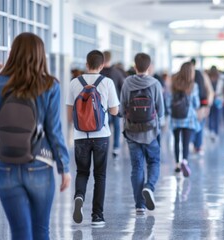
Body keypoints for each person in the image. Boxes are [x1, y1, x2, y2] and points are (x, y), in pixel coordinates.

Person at [0, 32, 70, 240]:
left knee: (19, 233)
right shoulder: (50, 85)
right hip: (39, 163)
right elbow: (54, 131)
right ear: (41, 55)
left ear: (13, 54)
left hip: (5, 165)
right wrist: (64, 167)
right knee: (41, 230)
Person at [67, 50, 120, 226]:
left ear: (86, 63)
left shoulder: (74, 83)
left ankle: (79, 196)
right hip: (101, 136)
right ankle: (97, 216)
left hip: (80, 136)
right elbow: (114, 111)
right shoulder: (107, 82)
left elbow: (69, 116)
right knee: (100, 175)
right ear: (102, 65)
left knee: (82, 172)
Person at [120, 53, 164, 214]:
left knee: (137, 167)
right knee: (154, 162)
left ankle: (139, 205)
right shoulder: (155, 83)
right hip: (151, 131)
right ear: (149, 66)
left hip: (131, 131)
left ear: (134, 65)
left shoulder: (127, 83)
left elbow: (121, 108)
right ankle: (149, 187)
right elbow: (161, 110)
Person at [170, 62, 200, 177]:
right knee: (186, 142)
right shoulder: (193, 85)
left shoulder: (174, 83)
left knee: (177, 141)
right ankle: (184, 161)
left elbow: (169, 100)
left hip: (175, 117)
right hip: (189, 117)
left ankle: (177, 164)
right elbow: (196, 103)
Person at [100, 51, 125, 159]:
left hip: (101, 105)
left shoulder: (98, 73)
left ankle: (103, 147)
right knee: (116, 126)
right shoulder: (116, 72)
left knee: (103, 127)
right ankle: (116, 148)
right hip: (114, 104)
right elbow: (123, 87)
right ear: (110, 59)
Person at [190, 58, 209, 155]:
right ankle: (198, 146)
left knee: (192, 125)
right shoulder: (199, 74)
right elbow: (203, 90)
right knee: (200, 124)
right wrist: (205, 105)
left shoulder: (186, 74)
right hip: (200, 104)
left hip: (189, 106)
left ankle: (193, 143)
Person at [207, 66, 221, 141]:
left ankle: (211, 130)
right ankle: (216, 132)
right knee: (216, 117)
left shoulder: (208, 78)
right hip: (217, 100)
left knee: (210, 116)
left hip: (210, 100)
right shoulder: (219, 78)